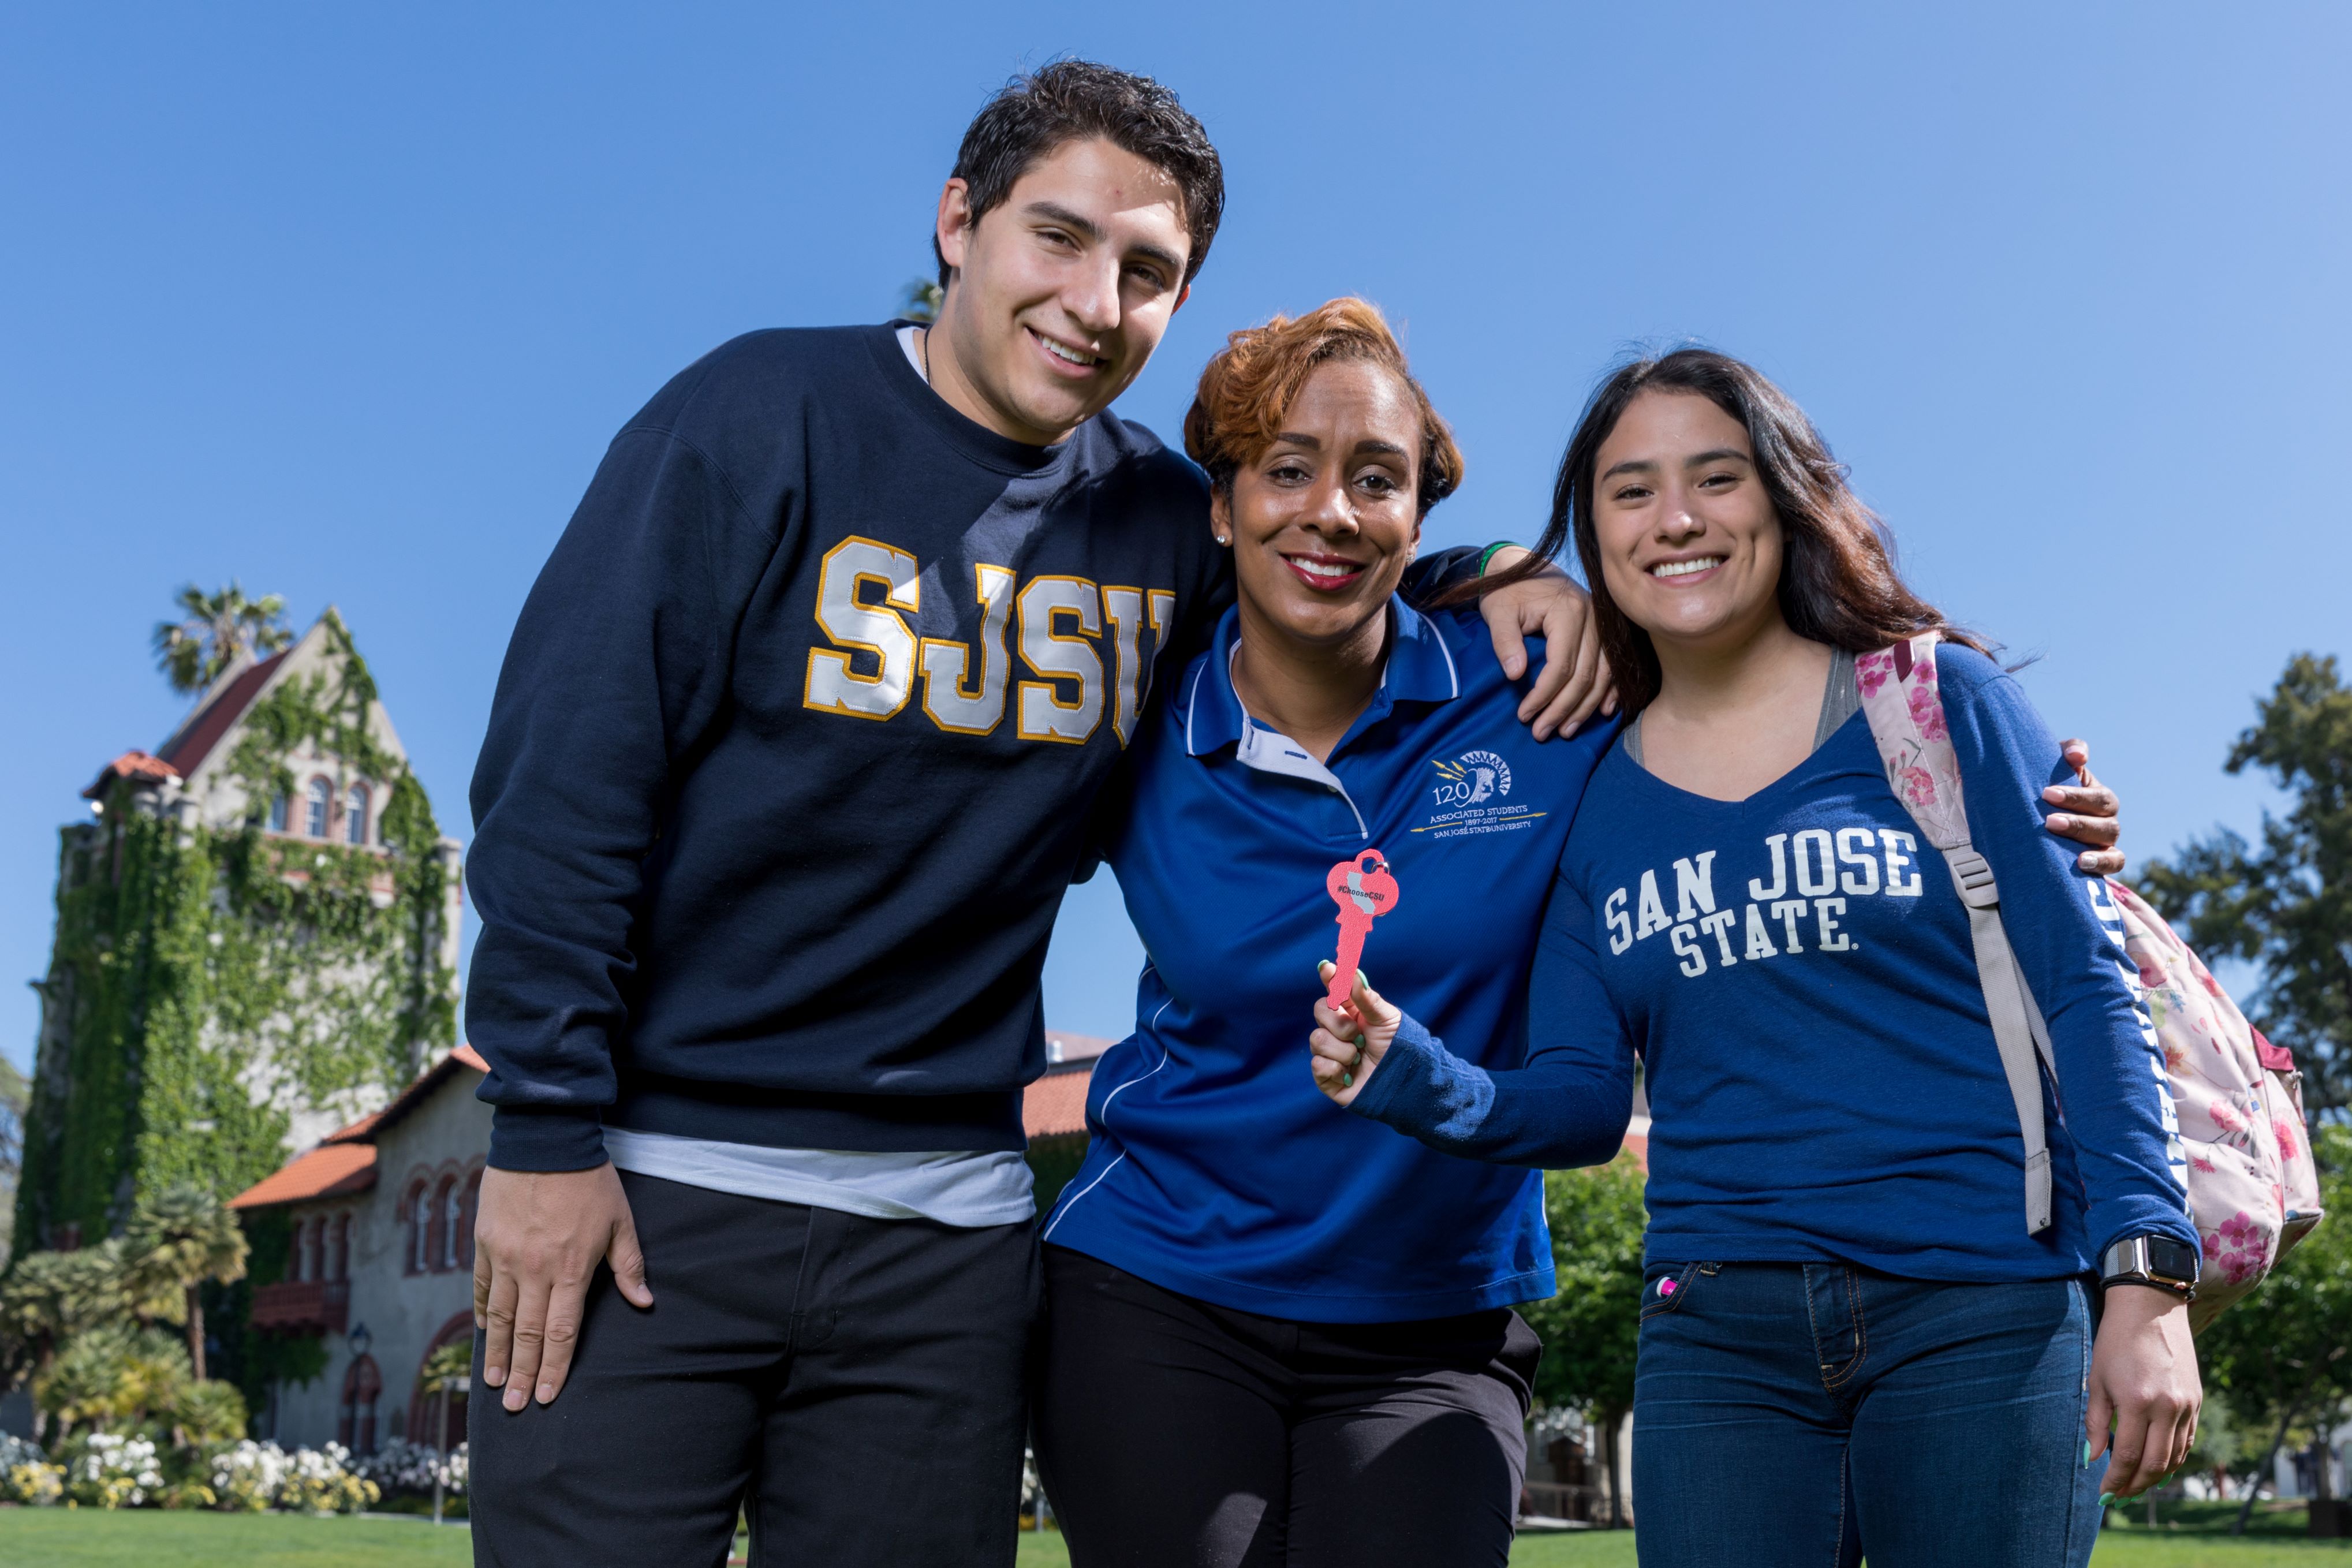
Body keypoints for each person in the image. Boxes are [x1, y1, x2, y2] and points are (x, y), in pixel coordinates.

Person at [459, 64, 1601, 1567]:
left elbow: (1326, 558)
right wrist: (544, 1131)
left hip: (945, 1236)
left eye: (1147, 271)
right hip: (654, 1187)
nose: (1092, 300)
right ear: (958, 222)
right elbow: (563, 783)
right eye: (1057, 237)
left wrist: (1510, 567)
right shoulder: (752, 418)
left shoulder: (1159, 519)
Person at [1031, 311, 2127, 1568]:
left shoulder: (1545, 688)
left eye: (1378, 480)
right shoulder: (1137, 710)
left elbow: (1755, 713)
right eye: (1285, 470)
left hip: (1434, 1308)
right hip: (1157, 1275)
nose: (1330, 509)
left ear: (1417, 518)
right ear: (1219, 511)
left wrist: (2032, 808)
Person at [1318, 348, 2197, 1568]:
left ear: (1782, 501)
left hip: (1984, 1307)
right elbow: (1582, 1098)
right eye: (1631, 490)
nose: (1675, 518)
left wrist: (2147, 1279)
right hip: (1719, 1337)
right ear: (1594, 533)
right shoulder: (1592, 794)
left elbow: (2087, 992)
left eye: (1716, 478)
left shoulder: (1936, 703)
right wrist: (1413, 1071)